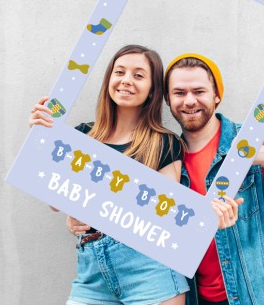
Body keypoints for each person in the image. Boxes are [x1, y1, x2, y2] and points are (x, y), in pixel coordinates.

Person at [29, 45, 242, 305]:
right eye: (119, 72)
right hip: (91, 271)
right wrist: (43, 136)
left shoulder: (164, 143)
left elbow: (166, 218)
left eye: (138, 75)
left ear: (152, 90)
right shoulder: (82, 135)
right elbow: (55, 200)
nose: (126, 80)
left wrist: (209, 219)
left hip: (150, 270)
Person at [161, 53, 264, 305]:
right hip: (196, 297)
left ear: (216, 95)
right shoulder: (170, 159)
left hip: (257, 297)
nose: (190, 100)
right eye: (179, 93)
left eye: (199, 91)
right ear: (168, 100)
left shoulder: (249, 139)